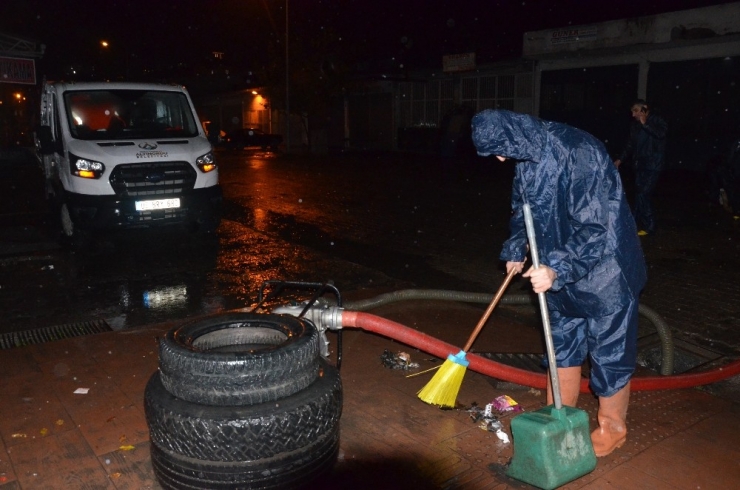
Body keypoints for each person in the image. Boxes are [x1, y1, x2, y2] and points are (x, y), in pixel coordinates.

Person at [471, 109, 647, 457]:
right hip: (557, 270)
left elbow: (594, 228)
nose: (501, 158)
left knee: (609, 351)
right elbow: (524, 210)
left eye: (501, 150)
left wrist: (555, 268)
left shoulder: (579, 152)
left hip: (605, 272)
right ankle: (560, 413)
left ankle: (612, 428)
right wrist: (515, 249)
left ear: (515, 136)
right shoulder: (526, 155)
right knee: (561, 340)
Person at [613, 99, 668, 236]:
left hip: (653, 165)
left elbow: (661, 134)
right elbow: (630, 144)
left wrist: (646, 124)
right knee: (639, 194)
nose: (633, 115)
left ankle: (650, 226)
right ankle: (634, 223)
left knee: (644, 193)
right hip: (640, 164)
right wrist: (620, 159)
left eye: (636, 111)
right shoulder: (635, 125)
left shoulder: (656, 120)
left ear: (644, 109)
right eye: (632, 111)